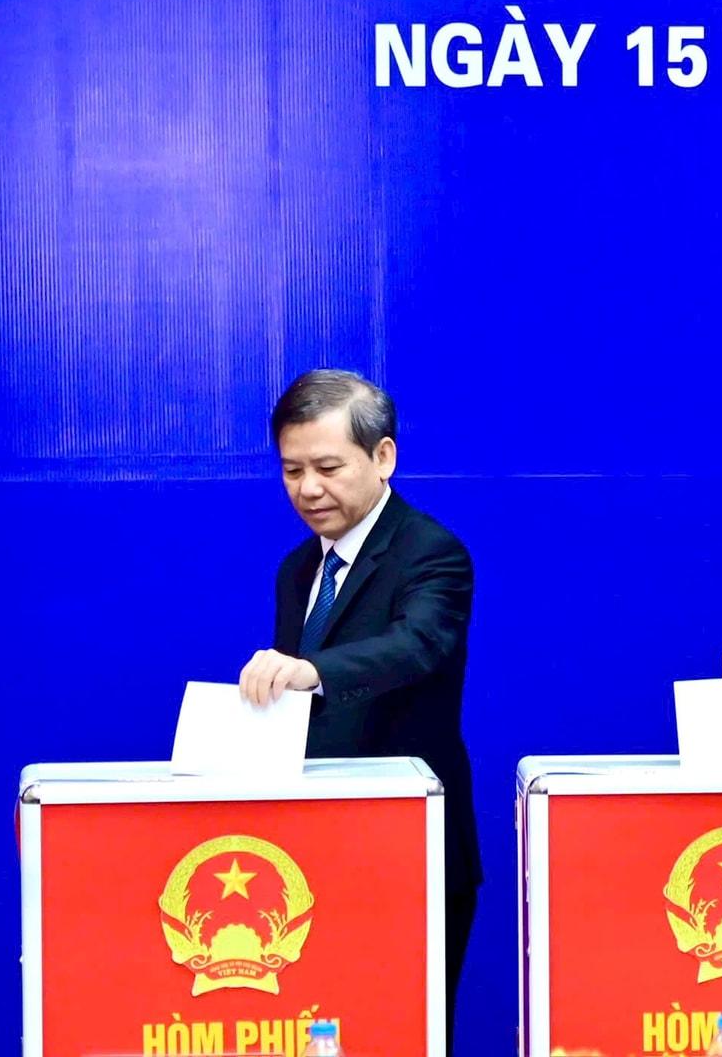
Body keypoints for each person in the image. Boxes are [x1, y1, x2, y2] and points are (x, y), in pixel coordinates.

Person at [238, 369, 479, 1036]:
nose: (308, 489)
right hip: (310, 852)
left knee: (402, 1034)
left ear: (383, 456)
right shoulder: (297, 569)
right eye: (291, 470)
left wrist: (310, 669)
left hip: (409, 847)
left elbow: (416, 646)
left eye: (327, 467)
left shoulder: (432, 552)